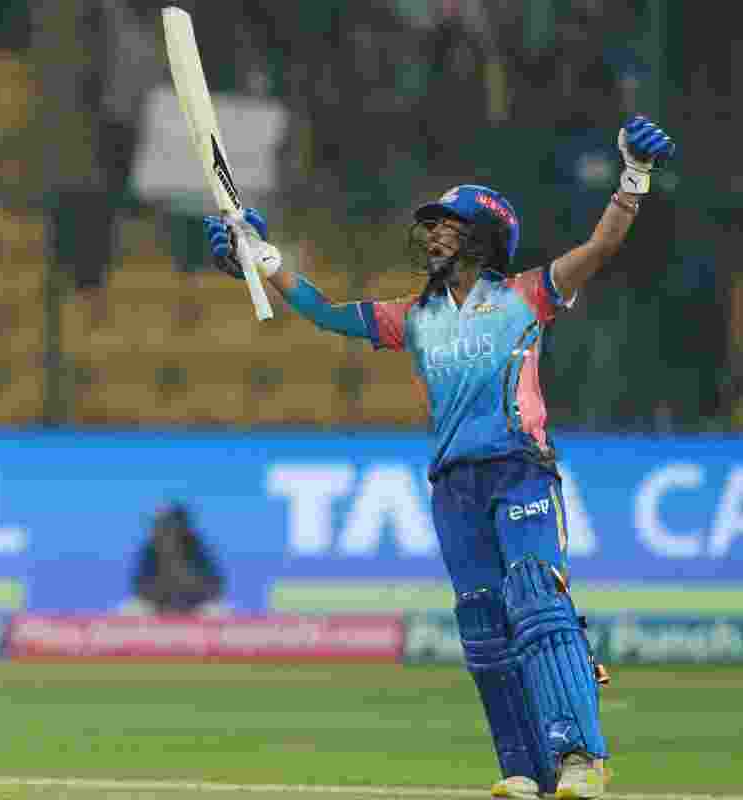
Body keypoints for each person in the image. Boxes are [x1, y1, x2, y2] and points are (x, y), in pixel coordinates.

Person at [203, 114, 674, 800]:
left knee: (538, 603)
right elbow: (326, 311)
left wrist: (634, 175)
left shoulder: (526, 295)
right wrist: (260, 255)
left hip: (519, 468)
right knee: (483, 630)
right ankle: (524, 768)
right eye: (434, 224)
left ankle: (580, 759)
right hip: (453, 486)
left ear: (484, 240)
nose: (433, 234)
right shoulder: (414, 317)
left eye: (449, 225)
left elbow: (602, 245)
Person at [120, 502, 228, 617]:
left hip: (194, 605)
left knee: (217, 611)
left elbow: (213, 584)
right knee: (132, 610)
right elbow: (140, 584)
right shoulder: (150, 550)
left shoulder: (195, 548)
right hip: (157, 605)